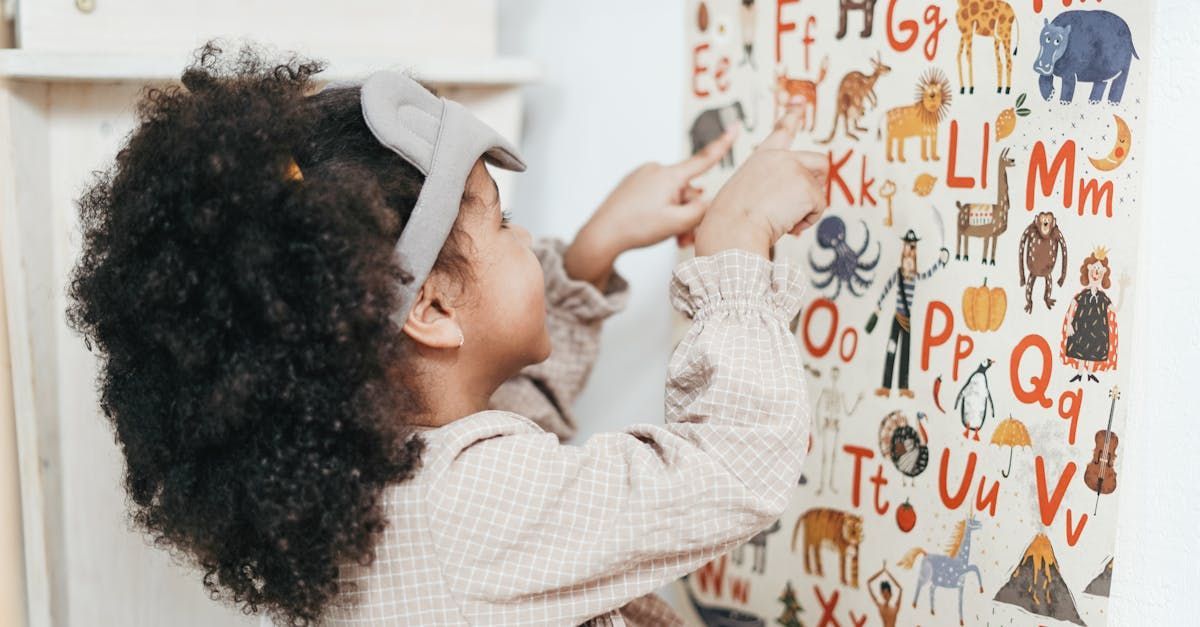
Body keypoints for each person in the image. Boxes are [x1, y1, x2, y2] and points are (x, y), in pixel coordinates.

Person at [64, 41, 827, 626]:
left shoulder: (386, 488)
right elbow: (731, 468)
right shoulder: (469, 509)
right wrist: (737, 239)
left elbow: (509, 421)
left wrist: (591, 255)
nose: (525, 235)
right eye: (500, 219)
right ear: (428, 308)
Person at [873, 229, 949, 398]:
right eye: (907, 247)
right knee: (891, 350)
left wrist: (940, 262)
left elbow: (928, 274)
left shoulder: (914, 276)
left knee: (905, 352)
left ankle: (903, 386)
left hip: (907, 320)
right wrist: (879, 304)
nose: (909, 252)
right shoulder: (898, 274)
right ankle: (886, 385)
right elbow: (886, 288)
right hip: (897, 318)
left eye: (912, 248)